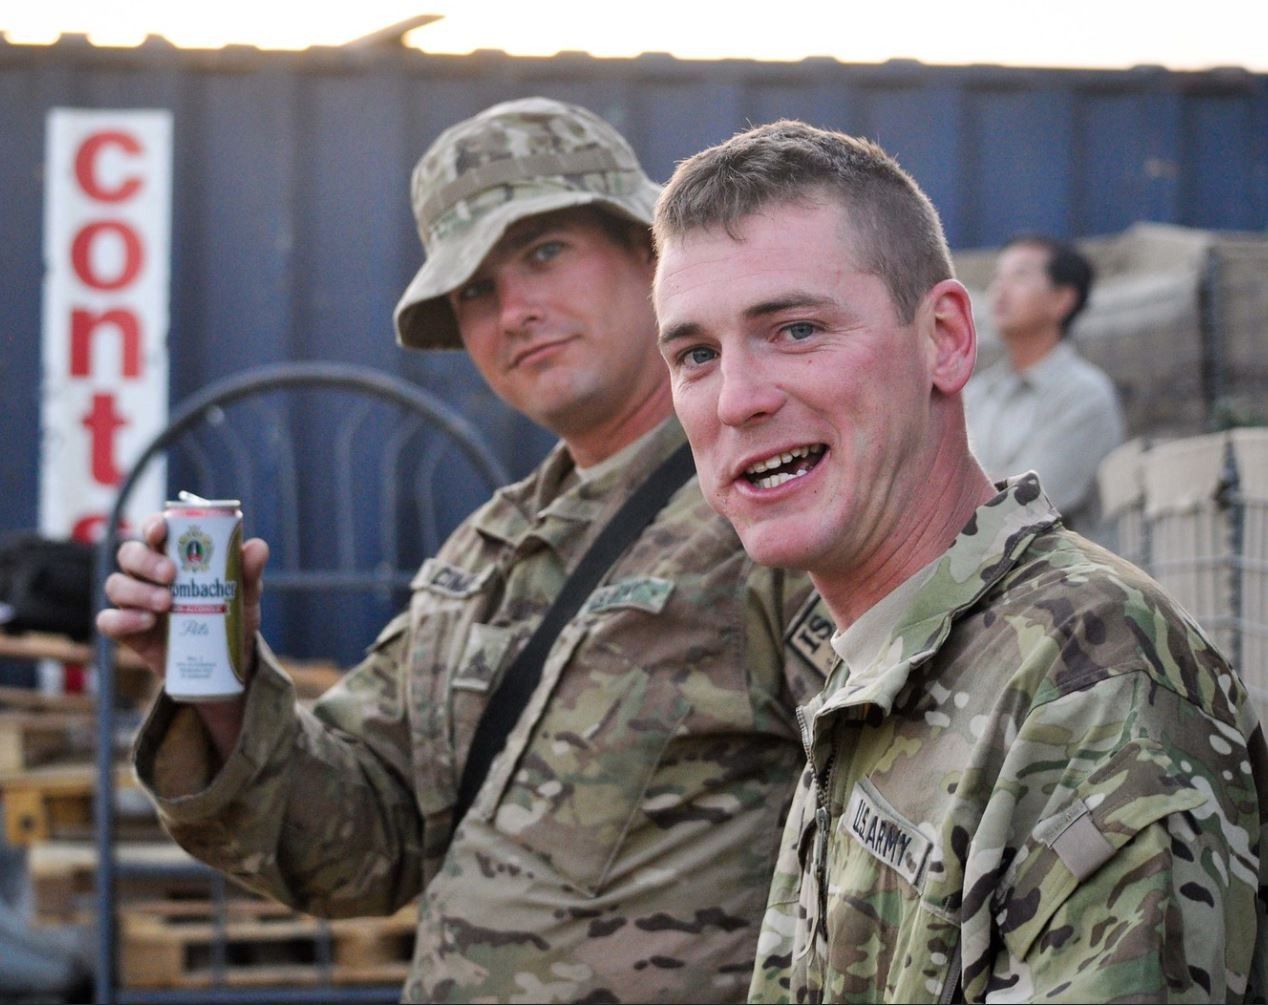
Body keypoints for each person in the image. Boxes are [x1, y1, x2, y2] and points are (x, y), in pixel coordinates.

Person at [97, 98, 832, 1004]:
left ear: (651, 256)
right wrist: (222, 686)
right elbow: (364, 840)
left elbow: (903, 850)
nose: (514, 309)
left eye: (544, 252)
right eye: (476, 289)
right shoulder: (488, 551)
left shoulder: (768, 513)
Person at [651, 119, 1268, 1003]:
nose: (737, 400)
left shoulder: (1089, 683)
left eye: (795, 329)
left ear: (942, 339)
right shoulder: (880, 657)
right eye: (696, 355)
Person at [964, 234, 1125, 531]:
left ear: (1061, 300)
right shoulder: (975, 393)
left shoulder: (1086, 396)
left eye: (1020, 276)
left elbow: (1022, 506)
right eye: (997, 277)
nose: (999, 290)